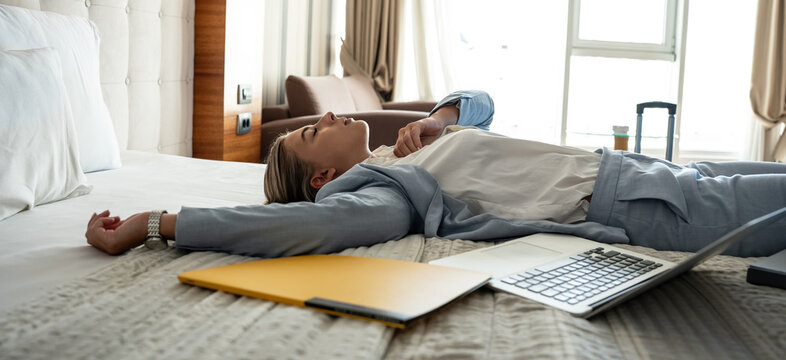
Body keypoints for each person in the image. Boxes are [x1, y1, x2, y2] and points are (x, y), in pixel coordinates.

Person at [87, 91, 786, 259]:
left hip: (664, 171)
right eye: (310, 130)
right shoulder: (381, 191)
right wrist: (157, 224)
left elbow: (482, 100)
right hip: (649, 203)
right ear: (325, 173)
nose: (327, 111)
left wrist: (442, 117)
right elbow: (306, 223)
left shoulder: (404, 151)